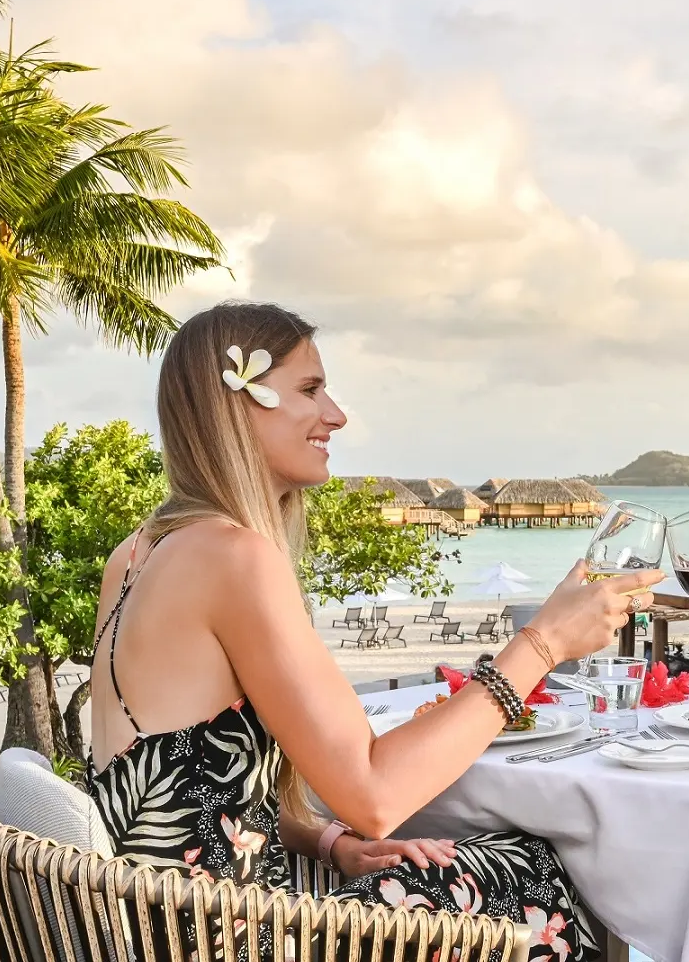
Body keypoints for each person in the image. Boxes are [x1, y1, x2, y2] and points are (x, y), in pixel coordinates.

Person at [87, 301, 658, 961]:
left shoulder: (135, 553)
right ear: (238, 404)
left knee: (496, 861)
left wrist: (331, 842)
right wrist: (544, 644)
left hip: (166, 928)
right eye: (310, 389)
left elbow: (191, 796)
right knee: (539, 875)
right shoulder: (234, 556)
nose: (337, 414)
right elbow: (376, 794)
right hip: (233, 942)